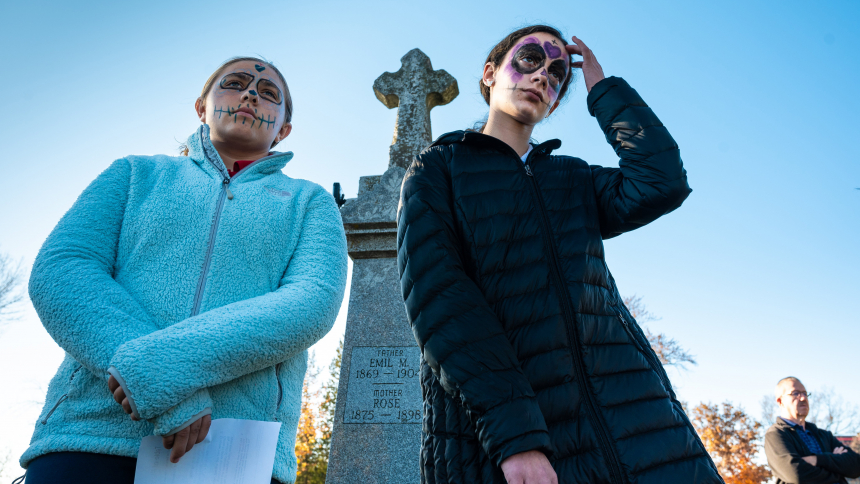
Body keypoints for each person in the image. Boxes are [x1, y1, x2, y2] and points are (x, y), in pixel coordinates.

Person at [396, 25, 723, 484]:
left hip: (635, 424)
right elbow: (442, 302)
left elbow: (662, 183)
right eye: (529, 59)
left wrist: (604, 92)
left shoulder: (574, 178)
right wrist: (516, 437)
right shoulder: (439, 168)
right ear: (490, 73)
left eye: (556, 73)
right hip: (512, 437)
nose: (544, 77)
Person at [19, 56, 347, 484]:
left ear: (283, 129)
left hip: (233, 451)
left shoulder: (309, 202)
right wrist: (164, 387)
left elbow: (310, 302)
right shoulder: (135, 173)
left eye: (269, 95)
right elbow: (62, 269)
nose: (251, 94)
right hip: (88, 436)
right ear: (201, 106)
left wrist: (167, 368)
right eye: (235, 83)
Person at [765, 377, 860, 484]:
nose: (803, 398)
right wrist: (838, 470)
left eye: (805, 393)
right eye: (795, 393)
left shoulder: (824, 435)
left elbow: (856, 465)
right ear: (780, 401)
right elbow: (797, 475)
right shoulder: (776, 434)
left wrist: (817, 460)